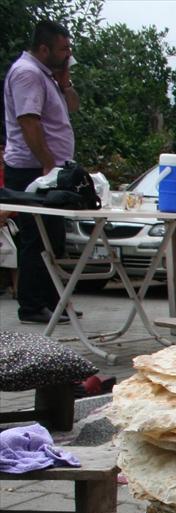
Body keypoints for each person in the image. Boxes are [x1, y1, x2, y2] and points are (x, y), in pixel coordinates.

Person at [4, 20, 78, 324]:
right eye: (63, 49)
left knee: (55, 237)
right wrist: (47, 163)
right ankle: (33, 306)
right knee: (38, 238)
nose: (68, 53)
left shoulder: (48, 76)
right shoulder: (27, 74)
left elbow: (72, 107)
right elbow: (29, 122)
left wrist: (66, 81)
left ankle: (51, 301)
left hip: (51, 168)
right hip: (33, 169)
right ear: (44, 48)